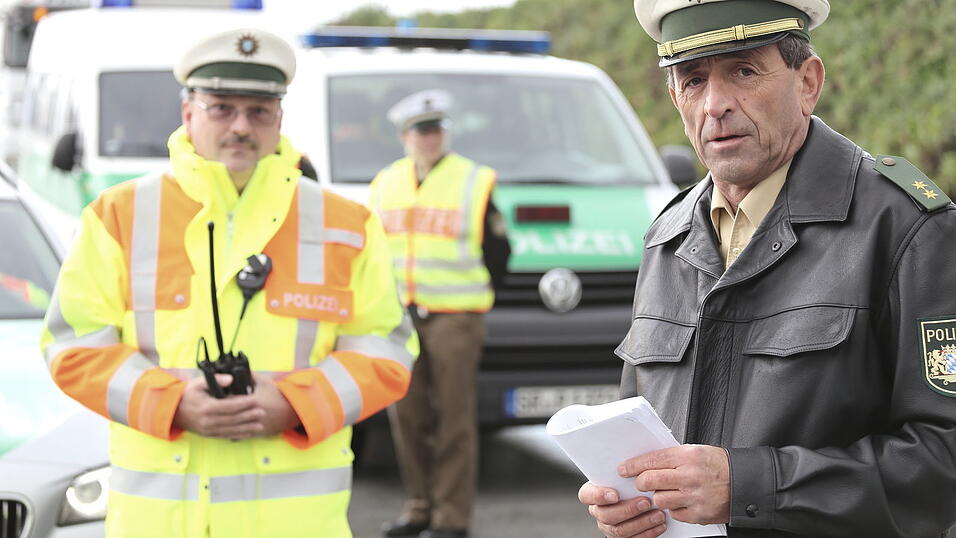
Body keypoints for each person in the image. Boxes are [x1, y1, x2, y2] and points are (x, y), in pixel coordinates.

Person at [577, 1, 956, 536]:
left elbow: (944, 459)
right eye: (692, 80)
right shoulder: (667, 237)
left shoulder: (905, 228)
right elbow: (638, 437)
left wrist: (751, 487)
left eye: (744, 72)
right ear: (673, 96)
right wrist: (627, 502)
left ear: (808, 82)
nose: (715, 105)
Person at [40, 28, 417, 538]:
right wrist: (171, 403)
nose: (241, 126)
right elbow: (74, 345)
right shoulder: (118, 215)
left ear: (280, 119)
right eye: (221, 108)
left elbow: (387, 351)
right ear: (188, 112)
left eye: (259, 111)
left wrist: (295, 403)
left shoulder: (347, 223)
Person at [370, 89, 510, 538]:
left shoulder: (474, 179)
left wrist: (478, 296)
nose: (430, 138)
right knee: (407, 416)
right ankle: (419, 507)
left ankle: (451, 518)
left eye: (436, 129)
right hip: (402, 316)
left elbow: (498, 251)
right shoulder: (385, 183)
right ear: (404, 136)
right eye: (421, 131)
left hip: (455, 316)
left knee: (453, 418)